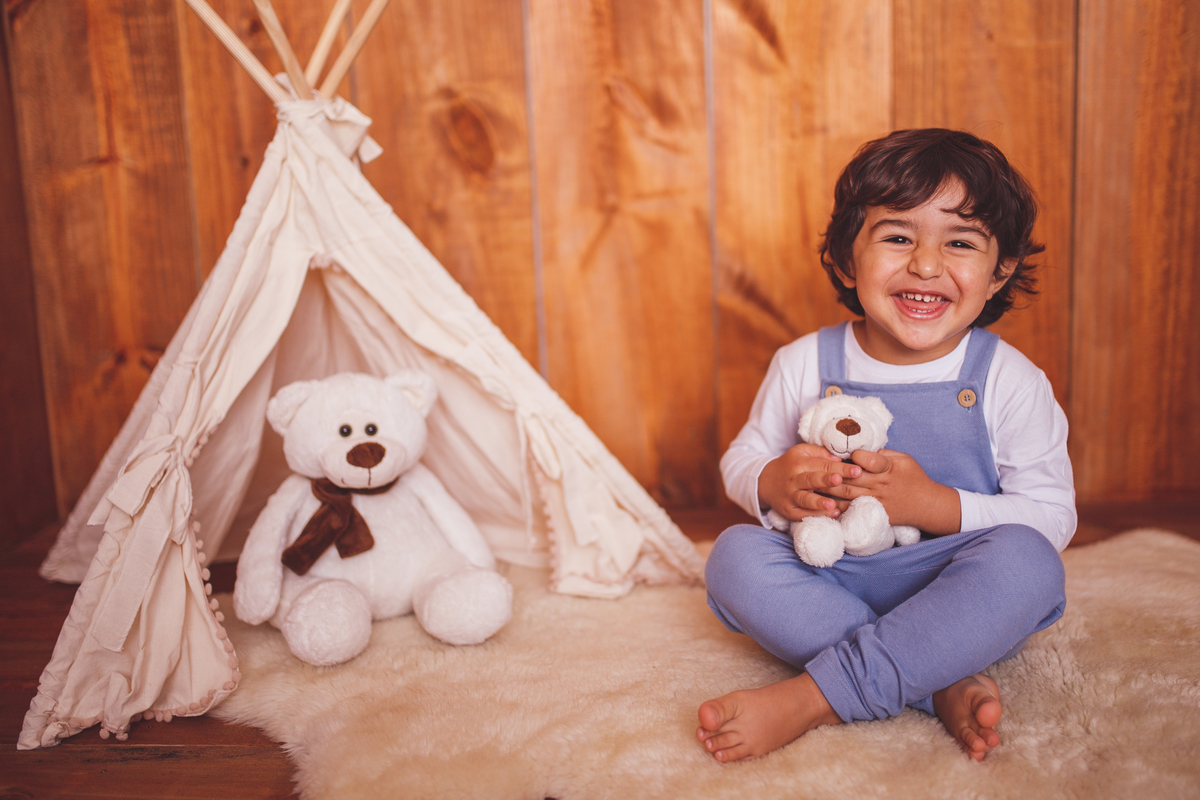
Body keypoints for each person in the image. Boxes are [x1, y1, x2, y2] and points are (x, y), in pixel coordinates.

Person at [697, 128, 1074, 763]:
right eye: (898, 237)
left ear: (1000, 269)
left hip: (956, 585)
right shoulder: (803, 361)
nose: (926, 265)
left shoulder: (1008, 379)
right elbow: (742, 459)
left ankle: (814, 697)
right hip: (831, 572)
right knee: (732, 556)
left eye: (960, 242)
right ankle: (938, 677)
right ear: (847, 258)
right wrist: (772, 481)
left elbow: (1053, 517)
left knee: (1031, 563)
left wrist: (932, 504)